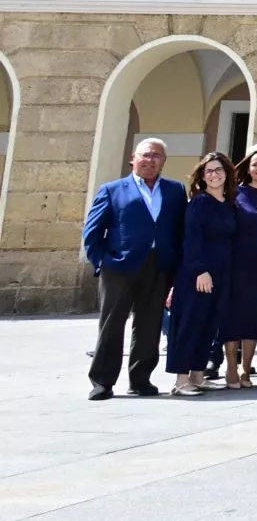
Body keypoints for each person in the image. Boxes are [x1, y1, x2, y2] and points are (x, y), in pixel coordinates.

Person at [83, 138, 187, 400]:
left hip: (159, 266)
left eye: (157, 156)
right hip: (119, 267)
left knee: (149, 325)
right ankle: (102, 381)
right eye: (146, 155)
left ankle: (141, 379)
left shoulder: (175, 191)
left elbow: (180, 230)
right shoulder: (113, 189)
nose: (151, 160)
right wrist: (102, 262)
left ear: (164, 161)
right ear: (133, 157)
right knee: (112, 324)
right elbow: (92, 231)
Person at [167, 153, 239, 396]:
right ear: (202, 175)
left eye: (218, 170)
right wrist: (200, 270)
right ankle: (181, 380)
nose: (214, 174)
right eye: (208, 171)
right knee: (190, 323)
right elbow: (192, 239)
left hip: (221, 273)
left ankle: (197, 376)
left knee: (209, 324)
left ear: (227, 173)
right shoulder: (200, 202)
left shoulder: (228, 203)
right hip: (198, 274)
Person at [222, 146, 257, 388]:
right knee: (233, 315)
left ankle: (246, 370)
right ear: (248, 167)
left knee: (256, 316)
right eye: (255, 164)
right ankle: (230, 369)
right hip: (237, 262)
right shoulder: (236, 192)